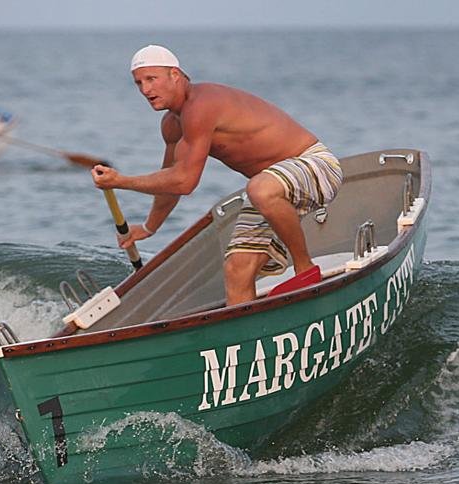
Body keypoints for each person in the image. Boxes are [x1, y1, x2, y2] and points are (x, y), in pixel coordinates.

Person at [90, 45, 343, 308]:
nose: (145, 90)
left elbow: (186, 181)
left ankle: (304, 268)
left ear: (175, 74)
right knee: (237, 270)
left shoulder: (202, 105)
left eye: (151, 79)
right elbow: (171, 181)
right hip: (271, 188)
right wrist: (149, 227)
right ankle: (247, 339)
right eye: (138, 83)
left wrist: (122, 181)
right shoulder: (172, 125)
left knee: (259, 188)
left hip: (314, 165)